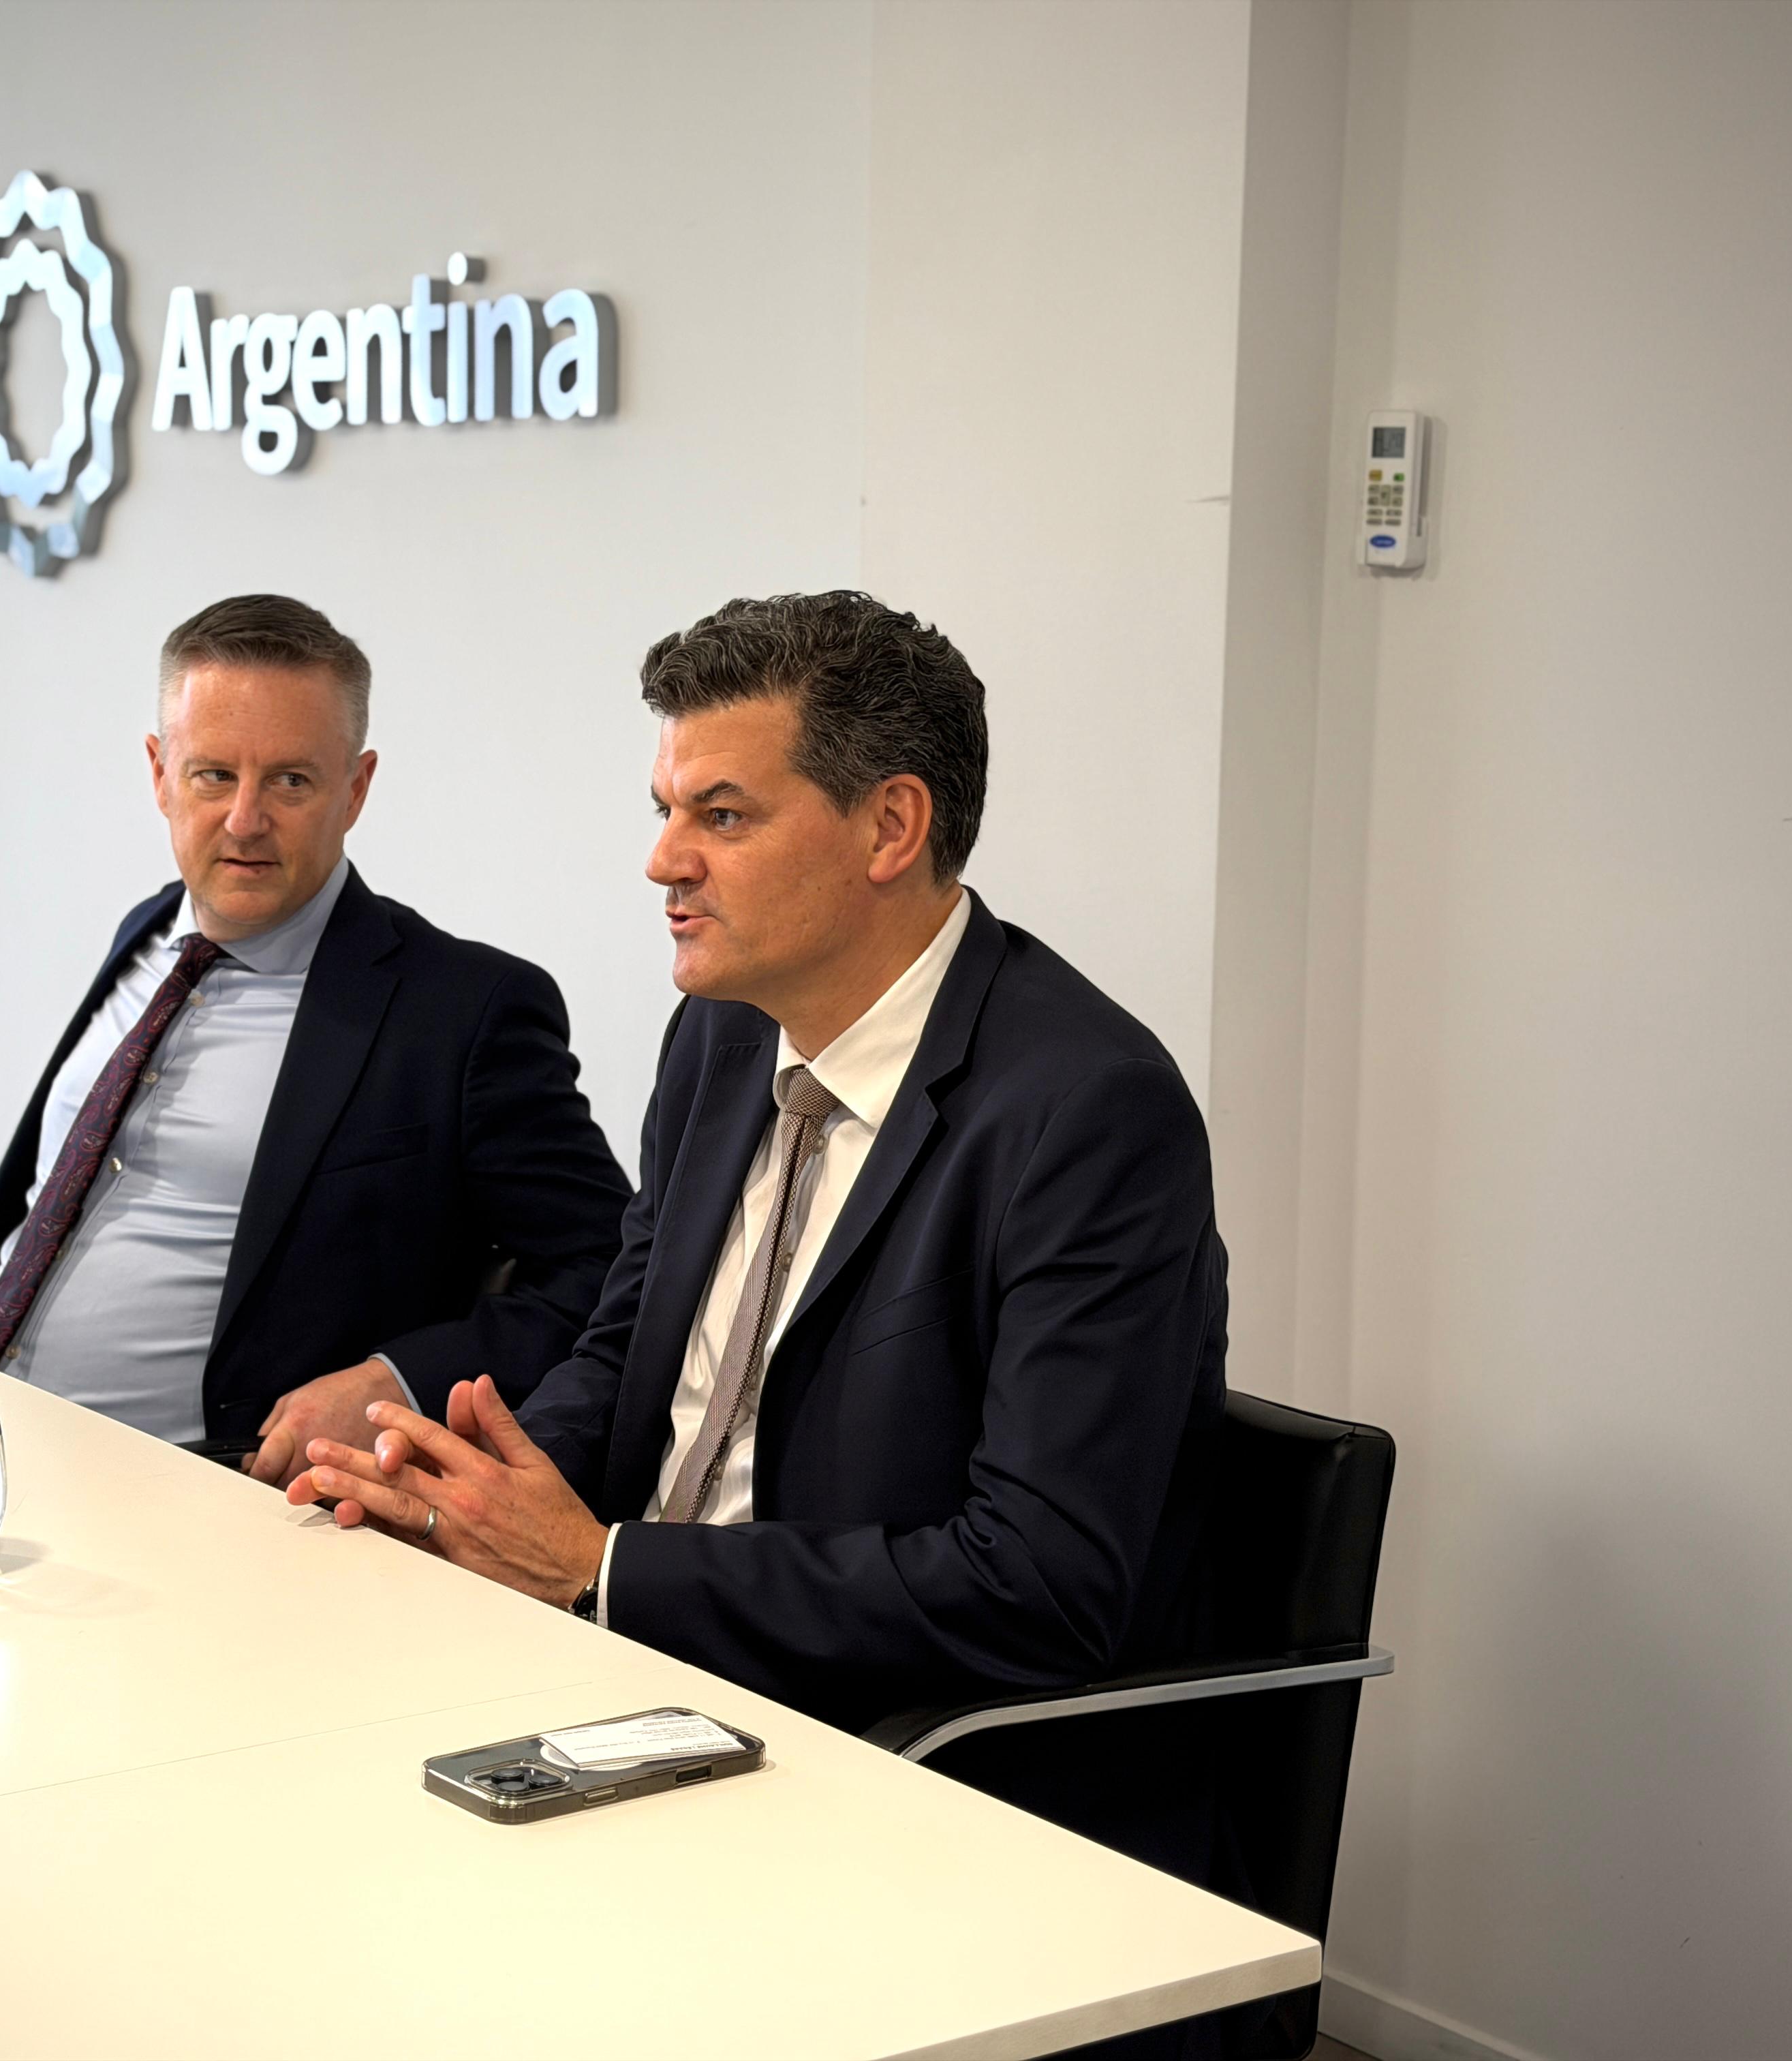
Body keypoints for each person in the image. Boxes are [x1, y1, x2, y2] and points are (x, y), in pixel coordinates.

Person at [290, 590, 1226, 1734]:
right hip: (614, 1658)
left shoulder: (1090, 1113)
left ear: (891, 828)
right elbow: (630, 1351)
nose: (662, 861)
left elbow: (1038, 1585)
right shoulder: (722, 1034)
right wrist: (471, 1489)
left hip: (874, 1737)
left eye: (722, 816)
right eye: (666, 809)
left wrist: (602, 1568)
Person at [0, 594, 630, 1486]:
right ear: (160, 774)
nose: (244, 819)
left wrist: (395, 1382)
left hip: (206, 1491)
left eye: (291, 781)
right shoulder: (148, 931)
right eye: (213, 775)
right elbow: (97, 1176)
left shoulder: (462, 1010)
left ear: (356, 789)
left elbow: (608, 1272)